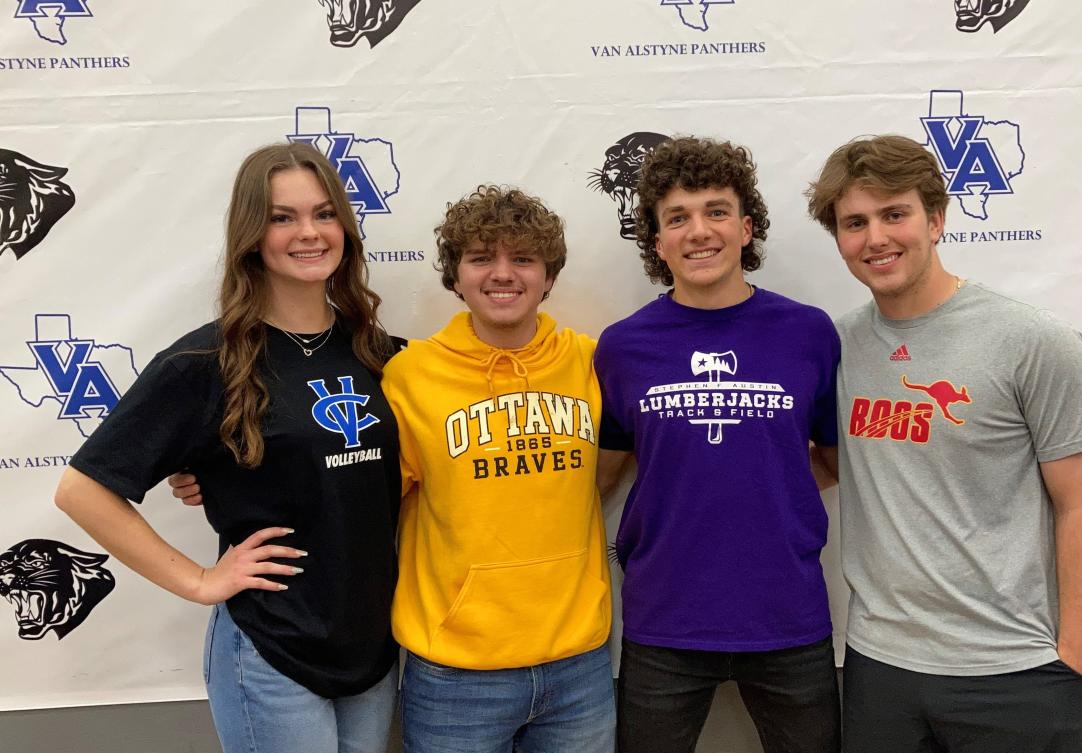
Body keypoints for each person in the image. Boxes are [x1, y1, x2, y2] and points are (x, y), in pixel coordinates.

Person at [54, 142, 402, 753]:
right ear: (251, 233)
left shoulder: (380, 353)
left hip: (371, 645)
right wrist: (197, 581)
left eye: (324, 213)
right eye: (282, 217)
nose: (309, 233)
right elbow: (82, 490)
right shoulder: (207, 362)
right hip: (272, 647)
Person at [805, 134, 1082, 753]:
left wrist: (1075, 661)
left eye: (895, 214)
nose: (876, 239)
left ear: (937, 218)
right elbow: (836, 464)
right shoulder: (835, 347)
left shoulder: (1033, 341)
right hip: (880, 666)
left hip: (1014, 670)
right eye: (855, 223)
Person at [595, 136, 842, 753]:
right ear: (656, 241)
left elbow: (835, 458)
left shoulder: (808, 333)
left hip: (788, 614)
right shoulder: (623, 346)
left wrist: (765, 477)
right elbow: (602, 474)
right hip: (664, 619)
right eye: (677, 217)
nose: (698, 231)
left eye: (716, 211)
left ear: (746, 226)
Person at [380, 185, 614, 753]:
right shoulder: (410, 377)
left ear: (549, 276)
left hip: (578, 664)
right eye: (482, 258)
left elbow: (621, 462)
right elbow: (353, 488)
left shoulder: (591, 362)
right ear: (455, 277)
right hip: (455, 671)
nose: (502, 274)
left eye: (523, 259)